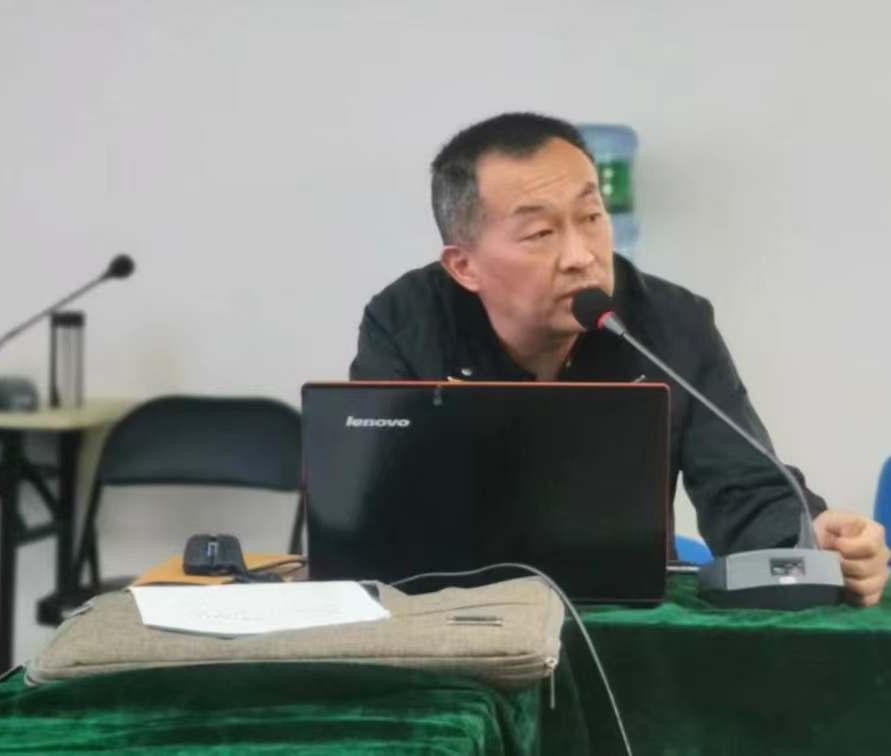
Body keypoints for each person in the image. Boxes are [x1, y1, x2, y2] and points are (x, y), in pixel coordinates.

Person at [349, 112, 889, 606]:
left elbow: (743, 489)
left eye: (591, 216)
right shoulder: (405, 322)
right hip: (458, 612)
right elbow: (371, 508)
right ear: (465, 266)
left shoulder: (671, 322)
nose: (581, 255)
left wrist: (810, 540)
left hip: (629, 613)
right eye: (540, 233)